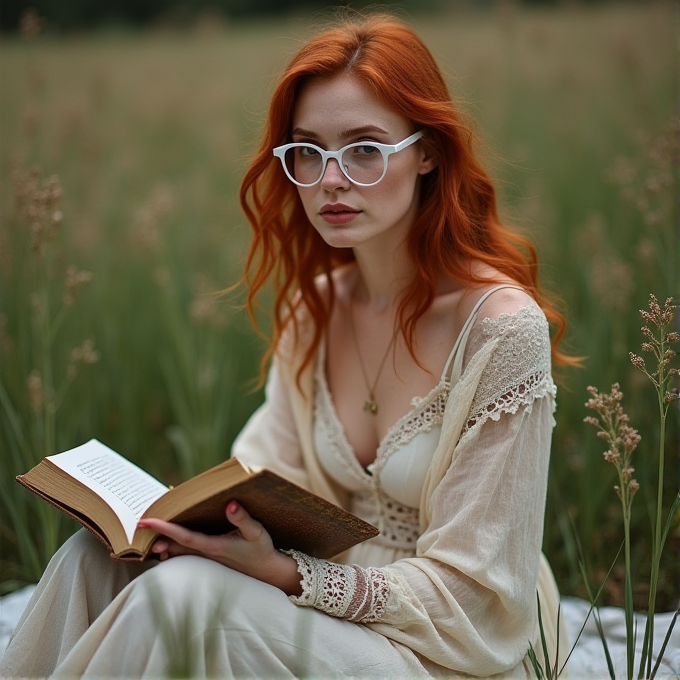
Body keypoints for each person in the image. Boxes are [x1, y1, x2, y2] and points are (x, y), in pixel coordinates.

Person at [1, 12, 575, 679]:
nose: (331, 179)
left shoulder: (501, 331)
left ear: (428, 152)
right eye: (308, 150)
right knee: (92, 559)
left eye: (364, 148)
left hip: (459, 649)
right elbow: (260, 476)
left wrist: (291, 575)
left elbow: (477, 598)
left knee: (181, 601)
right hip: (324, 607)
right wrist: (184, 528)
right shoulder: (315, 309)